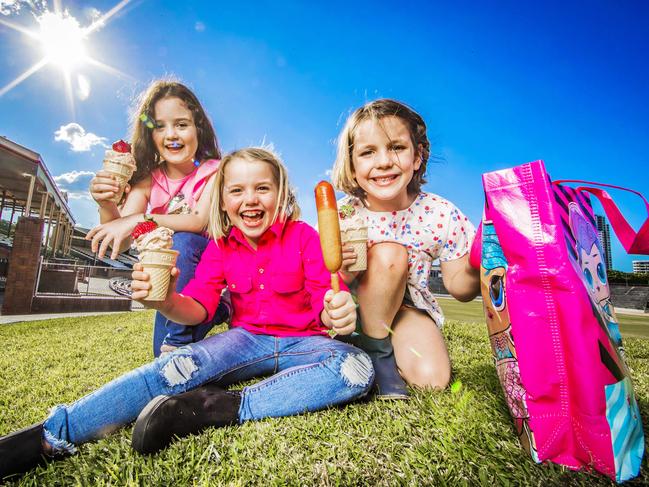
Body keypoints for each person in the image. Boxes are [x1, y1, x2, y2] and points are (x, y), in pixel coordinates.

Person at [0, 147, 373, 480]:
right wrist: (165, 302)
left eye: (263, 188)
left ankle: (218, 406)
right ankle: (50, 435)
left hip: (305, 342)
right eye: (236, 190)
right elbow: (197, 311)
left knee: (356, 369)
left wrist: (336, 314)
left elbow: (326, 302)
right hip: (244, 340)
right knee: (173, 366)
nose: (250, 199)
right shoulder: (221, 248)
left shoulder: (306, 236)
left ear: (280, 195)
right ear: (222, 200)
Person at [332, 99, 480, 399]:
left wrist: (479, 260)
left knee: (433, 380)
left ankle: (372, 349)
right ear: (353, 164)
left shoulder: (440, 213)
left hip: (406, 310)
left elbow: (460, 288)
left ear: (417, 156)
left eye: (396, 147)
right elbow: (329, 281)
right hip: (354, 311)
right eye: (368, 152)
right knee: (389, 255)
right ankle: (377, 355)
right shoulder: (345, 213)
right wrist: (344, 271)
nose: (384, 161)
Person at [87, 80, 230, 356]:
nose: (171, 134)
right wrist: (106, 203)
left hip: (211, 263)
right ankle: (214, 314)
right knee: (159, 358)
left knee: (184, 242)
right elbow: (125, 237)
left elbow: (198, 221)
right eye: (160, 126)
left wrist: (143, 218)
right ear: (149, 134)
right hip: (175, 277)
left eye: (181, 124)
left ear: (197, 127)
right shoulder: (148, 179)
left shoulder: (215, 170)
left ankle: (183, 337)